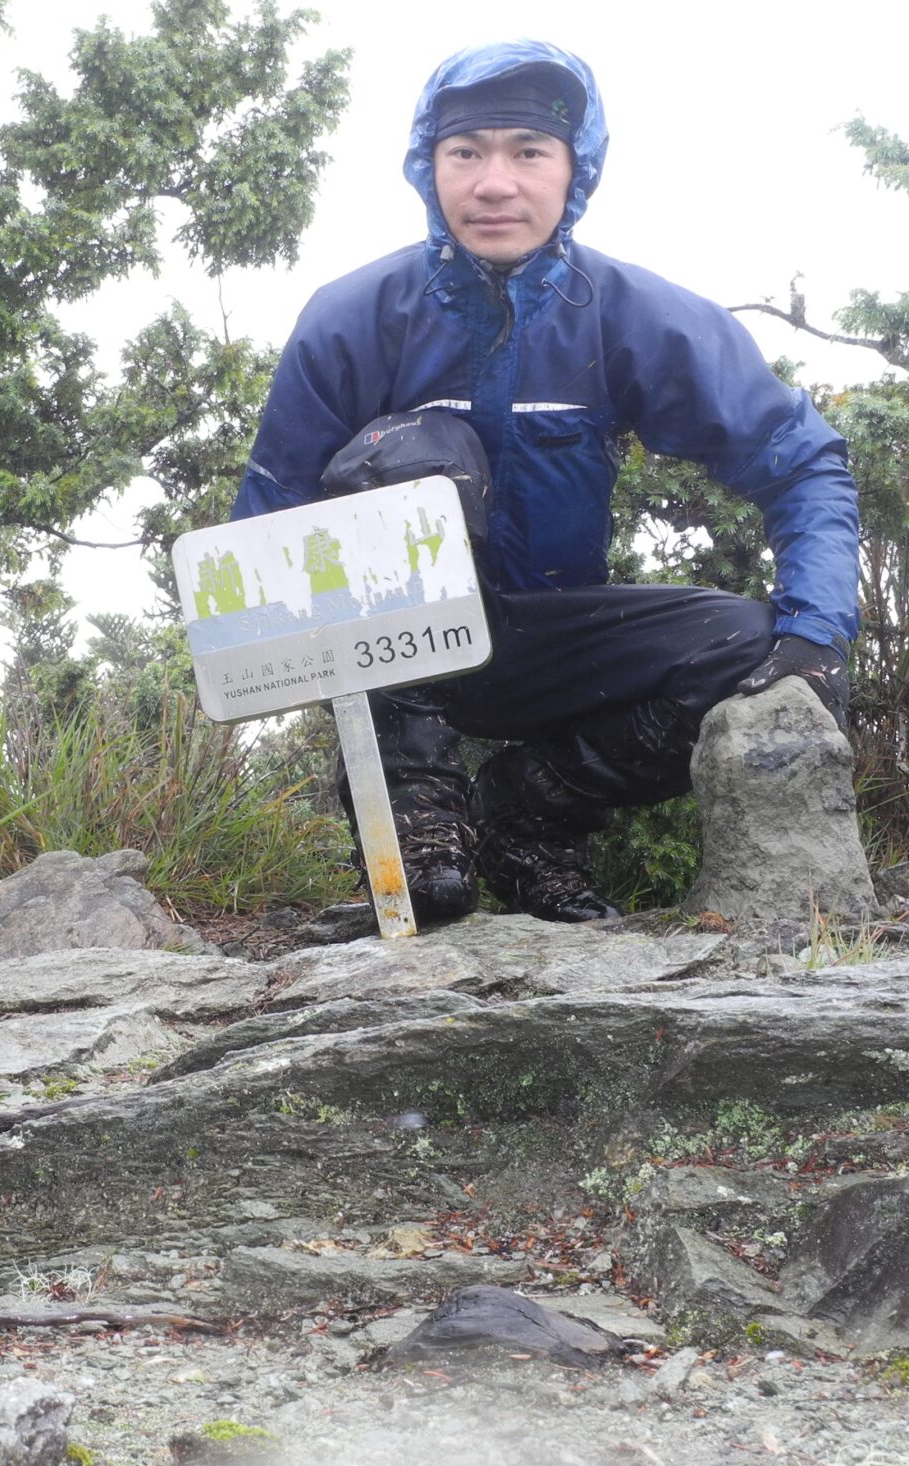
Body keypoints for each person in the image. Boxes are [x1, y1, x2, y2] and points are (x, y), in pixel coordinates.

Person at [230, 39, 860, 923]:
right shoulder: (352, 319)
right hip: (396, 660)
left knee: (755, 646)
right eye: (465, 152)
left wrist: (819, 633)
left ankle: (527, 816)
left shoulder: (633, 314)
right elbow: (264, 537)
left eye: (528, 152)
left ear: (576, 169)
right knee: (420, 452)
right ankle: (417, 825)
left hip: (553, 641)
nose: (495, 184)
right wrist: (261, 665)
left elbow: (801, 458)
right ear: (428, 168)